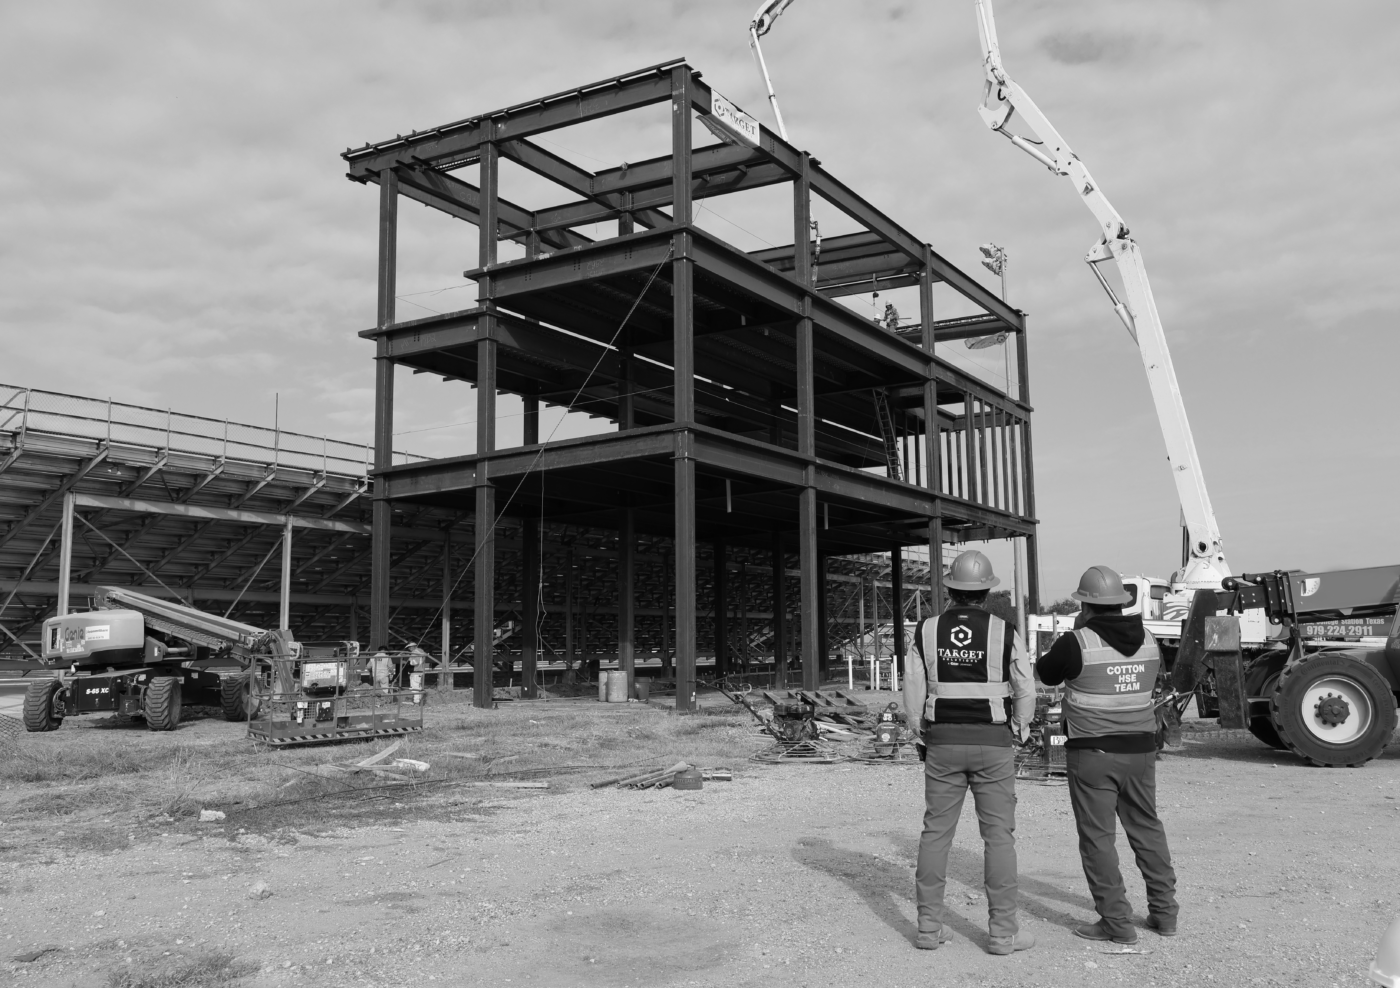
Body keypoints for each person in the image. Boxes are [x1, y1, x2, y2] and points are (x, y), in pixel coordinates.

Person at [1037, 565, 1178, 944]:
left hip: (1093, 753)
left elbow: (1046, 674)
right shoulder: (1150, 639)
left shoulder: (1076, 642)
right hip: (1141, 751)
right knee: (1147, 828)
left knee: (1098, 838)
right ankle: (1164, 915)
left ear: (1085, 605)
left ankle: (1116, 923)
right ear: (1121, 602)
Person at [903, 549, 1035, 955]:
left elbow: (913, 688)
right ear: (987, 590)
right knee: (998, 838)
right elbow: (1024, 688)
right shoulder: (1004, 630)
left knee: (936, 835)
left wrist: (918, 731)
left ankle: (928, 929)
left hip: (942, 743)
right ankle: (1002, 934)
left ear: (951, 590)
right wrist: (1019, 728)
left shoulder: (925, 630)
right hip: (993, 744)